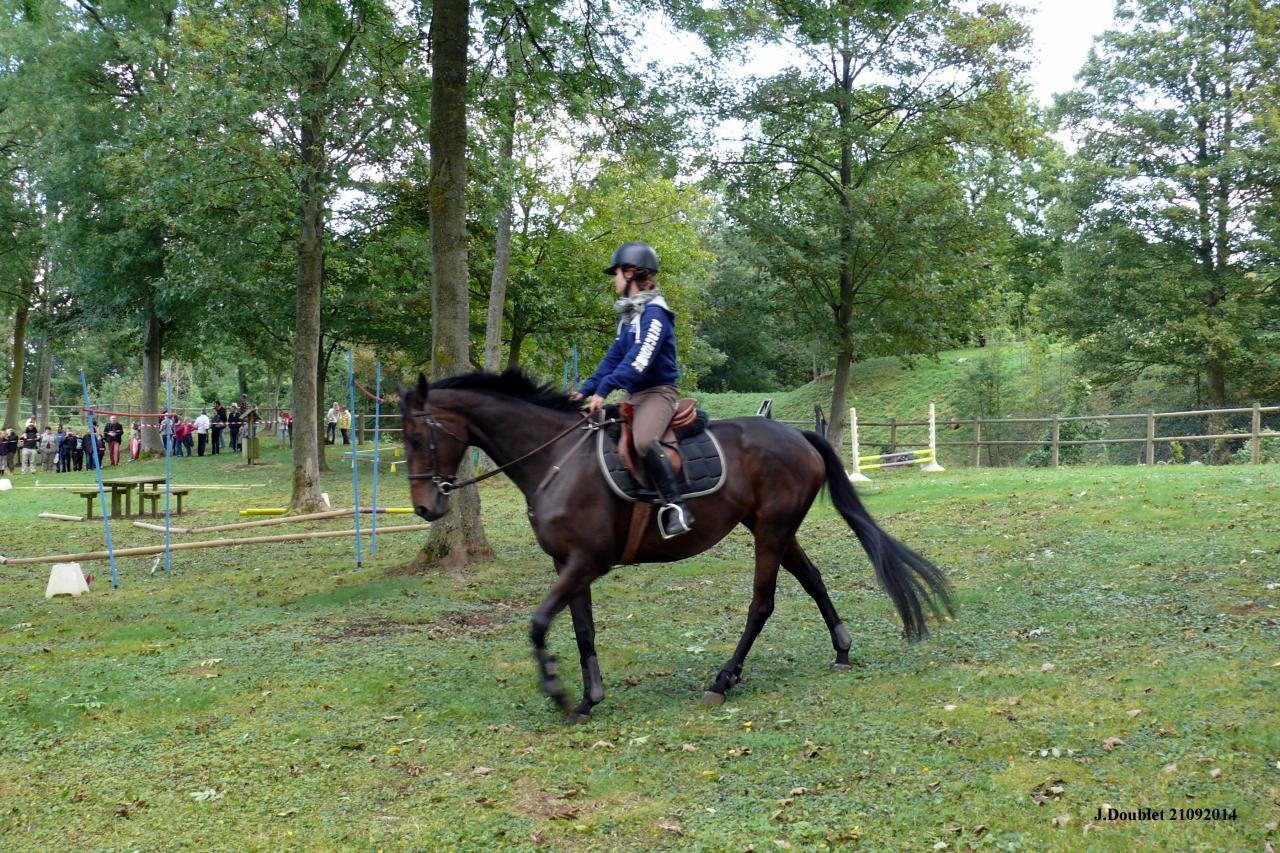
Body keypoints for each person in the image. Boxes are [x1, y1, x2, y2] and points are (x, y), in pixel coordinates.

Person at [571, 241, 694, 537]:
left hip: (658, 393)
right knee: (599, 430)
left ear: (630, 273)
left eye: (616, 273)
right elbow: (613, 358)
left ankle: (676, 507)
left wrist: (604, 390)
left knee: (643, 442)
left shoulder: (656, 314)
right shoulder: (629, 317)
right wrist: (585, 390)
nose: (614, 280)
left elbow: (639, 361)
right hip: (634, 396)